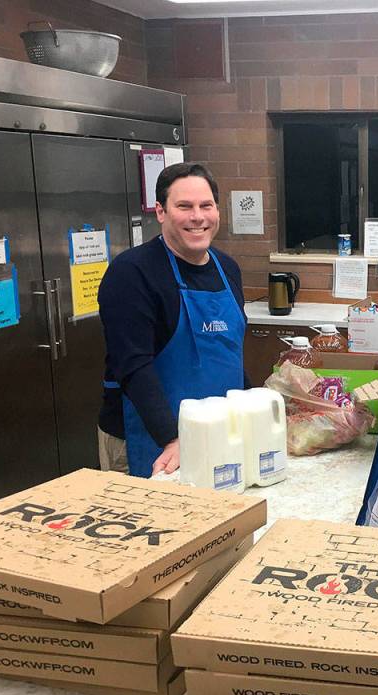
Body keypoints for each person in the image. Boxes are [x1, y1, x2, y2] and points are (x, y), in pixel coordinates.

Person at [97, 162, 246, 478]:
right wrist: (173, 437)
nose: (198, 217)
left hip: (219, 437)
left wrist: (257, 407)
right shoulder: (132, 273)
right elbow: (133, 365)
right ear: (160, 211)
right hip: (153, 441)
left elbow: (229, 356)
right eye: (184, 206)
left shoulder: (227, 268)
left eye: (206, 205)